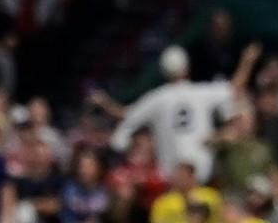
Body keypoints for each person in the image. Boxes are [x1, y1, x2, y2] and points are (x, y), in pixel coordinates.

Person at [107, 42, 260, 182]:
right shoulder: (200, 92)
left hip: (171, 176)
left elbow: (128, 119)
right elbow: (235, 89)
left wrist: (120, 143)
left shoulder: (156, 97)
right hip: (202, 171)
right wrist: (247, 61)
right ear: (187, 67)